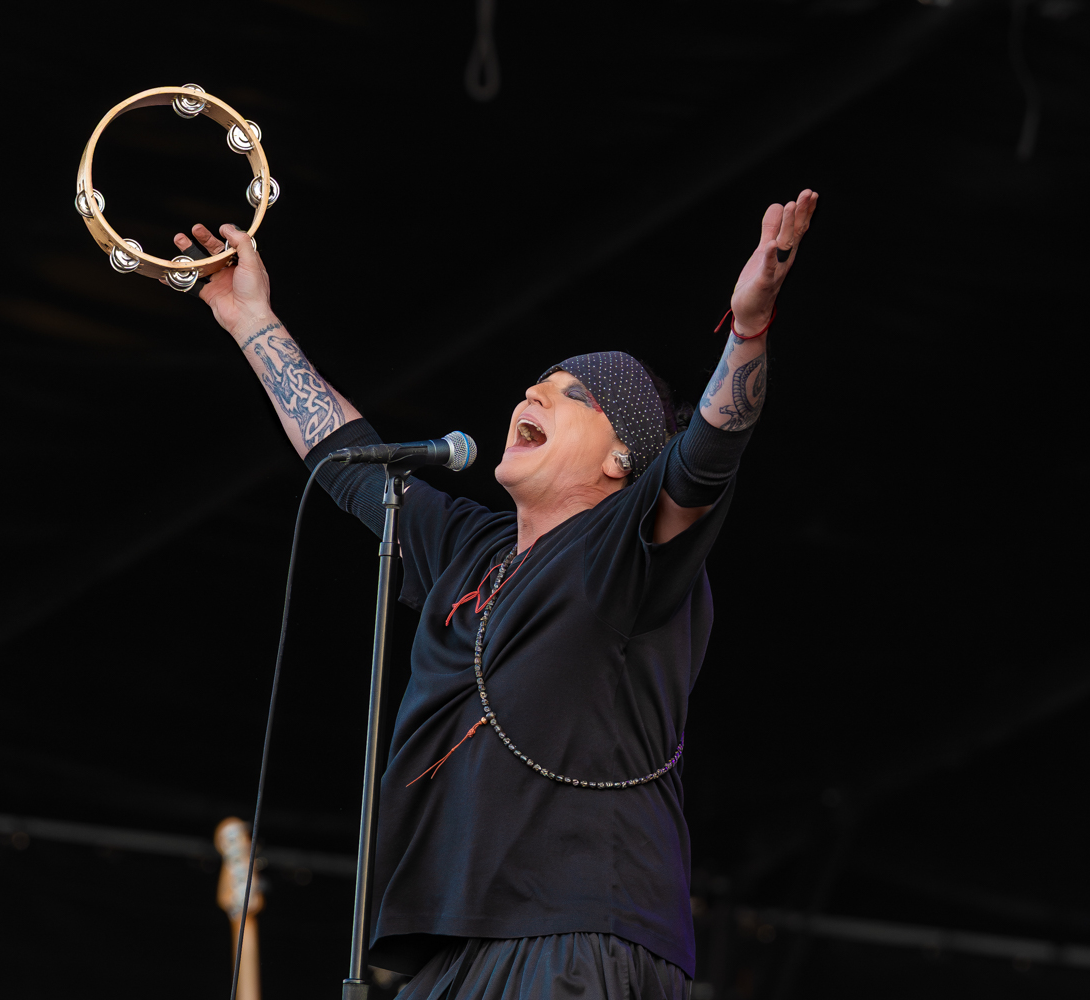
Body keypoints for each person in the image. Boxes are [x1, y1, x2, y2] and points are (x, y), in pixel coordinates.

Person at [170, 189, 817, 1000]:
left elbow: (710, 453)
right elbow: (347, 459)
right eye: (535, 385)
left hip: (583, 927)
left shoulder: (631, 547)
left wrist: (748, 330)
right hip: (452, 948)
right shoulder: (469, 550)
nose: (532, 396)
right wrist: (251, 321)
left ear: (622, 461)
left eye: (574, 395)